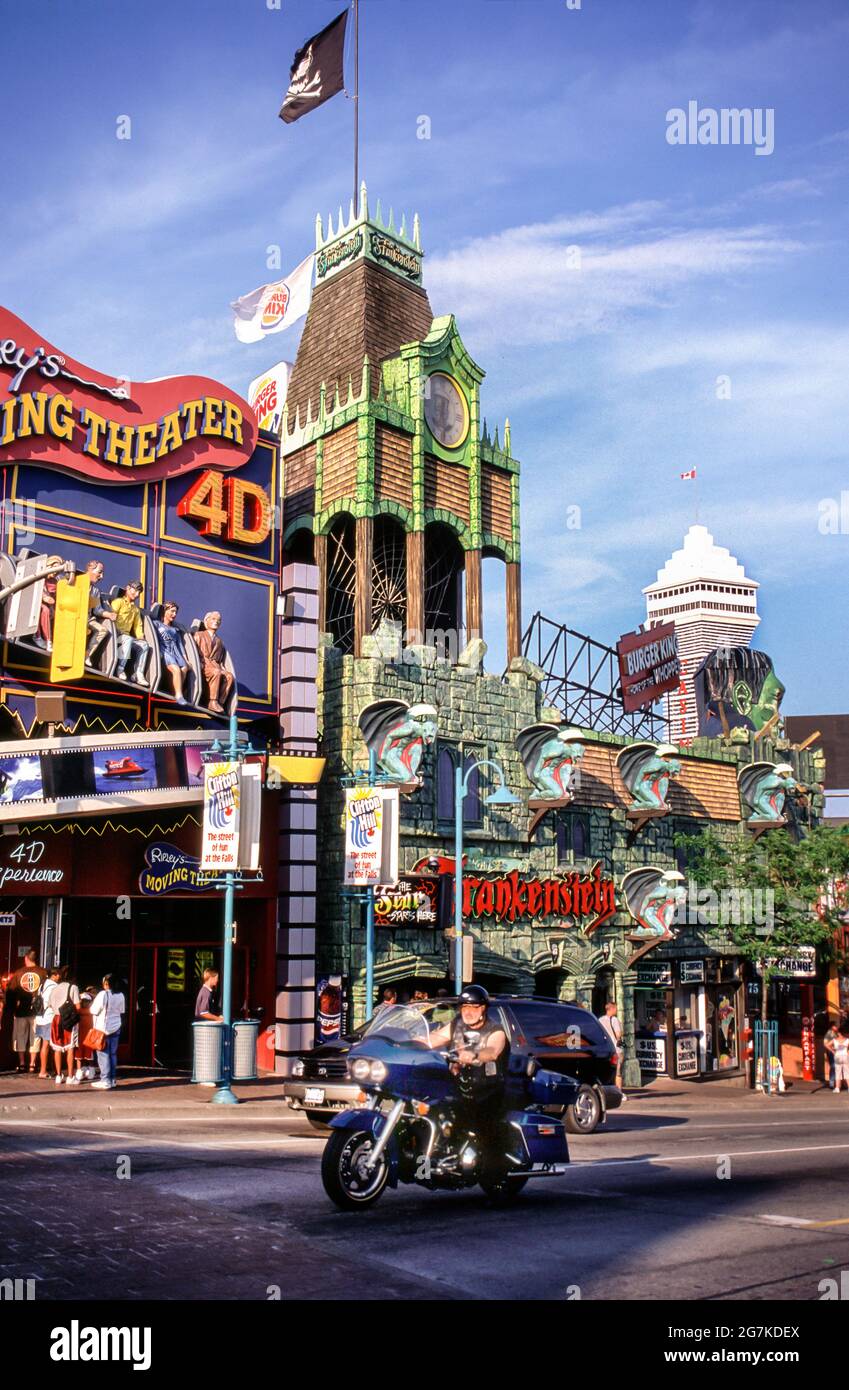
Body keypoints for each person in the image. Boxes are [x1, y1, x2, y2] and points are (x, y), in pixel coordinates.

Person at [427, 984, 508, 1143]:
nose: (468, 1012)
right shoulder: (457, 1024)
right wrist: (406, 1043)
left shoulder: (495, 1030)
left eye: (473, 1007)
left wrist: (475, 1055)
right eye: (464, 1007)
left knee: (484, 1133)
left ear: (483, 1008)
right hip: (456, 1087)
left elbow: (492, 1051)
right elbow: (434, 1038)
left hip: (486, 1091)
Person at [7, 950, 47, 1073]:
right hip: (37, 1012)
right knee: (35, 1037)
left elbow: (11, 993)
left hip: (20, 1011)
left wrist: (11, 1009)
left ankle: (22, 1063)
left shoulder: (19, 973)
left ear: (26, 958)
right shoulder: (43, 972)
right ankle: (32, 1064)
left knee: (20, 1036)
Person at [193, 611, 234, 714]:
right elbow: (194, 653)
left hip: (215, 665)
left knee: (229, 676)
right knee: (216, 672)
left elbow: (219, 660)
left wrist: (223, 669)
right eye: (213, 619)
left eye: (218, 620)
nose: (216, 622)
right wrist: (199, 664)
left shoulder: (219, 641)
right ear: (207, 621)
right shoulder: (198, 635)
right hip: (203, 664)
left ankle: (220, 702)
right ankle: (212, 701)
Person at [111, 579, 151, 684]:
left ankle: (138, 673)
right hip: (115, 634)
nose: (137, 594)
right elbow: (111, 616)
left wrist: (141, 636)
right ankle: (120, 668)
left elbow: (138, 626)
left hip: (126, 637)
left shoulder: (135, 609)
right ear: (128, 588)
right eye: (136, 591)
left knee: (144, 645)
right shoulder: (118, 602)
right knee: (127, 639)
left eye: (139, 592)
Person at [90, 974, 125, 1090]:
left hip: (103, 1028)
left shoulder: (102, 994)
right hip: (116, 1026)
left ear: (107, 984)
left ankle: (105, 1080)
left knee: (103, 1054)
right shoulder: (121, 995)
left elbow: (93, 1010)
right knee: (113, 1054)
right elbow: (121, 1011)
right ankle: (112, 1079)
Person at [48, 968, 81, 1085]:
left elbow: (50, 1005)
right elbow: (78, 1006)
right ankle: (70, 1076)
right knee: (70, 1048)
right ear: (73, 978)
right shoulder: (73, 988)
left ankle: (58, 1075)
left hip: (56, 1019)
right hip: (68, 1020)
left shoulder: (55, 988)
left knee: (57, 1048)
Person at [154, 601, 190, 705]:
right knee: (176, 669)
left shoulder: (175, 630)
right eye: (172, 611)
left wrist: (186, 660)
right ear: (165, 611)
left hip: (175, 652)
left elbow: (180, 646)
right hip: (164, 650)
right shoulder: (157, 624)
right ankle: (179, 695)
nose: (174, 614)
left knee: (184, 668)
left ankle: (175, 690)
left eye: (176, 613)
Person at [85, 559, 117, 664]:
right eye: (99, 572)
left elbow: (97, 610)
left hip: (88, 619)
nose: (101, 576)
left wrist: (109, 614)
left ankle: (87, 655)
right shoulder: (76, 582)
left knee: (102, 630)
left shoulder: (95, 591)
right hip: (75, 617)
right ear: (90, 569)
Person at [34, 966, 62, 1078]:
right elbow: (54, 1003)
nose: (59, 976)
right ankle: (43, 1071)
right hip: (49, 1018)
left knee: (44, 1045)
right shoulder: (54, 986)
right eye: (58, 974)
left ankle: (46, 1069)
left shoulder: (42, 985)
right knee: (48, 1045)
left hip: (40, 1017)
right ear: (54, 975)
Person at [598, 1000, 624, 1088]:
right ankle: (619, 1092)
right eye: (615, 1008)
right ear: (611, 1009)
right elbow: (618, 1035)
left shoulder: (600, 1020)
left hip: (605, 1049)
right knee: (618, 1072)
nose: (616, 1010)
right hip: (616, 1049)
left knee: (607, 1071)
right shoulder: (615, 1020)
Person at [831, 1025, 849, 1096]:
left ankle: (837, 1088)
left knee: (838, 1072)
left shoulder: (834, 1040)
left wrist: (832, 1051)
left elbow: (827, 1045)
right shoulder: (847, 1040)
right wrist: (848, 1052)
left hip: (837, 1056)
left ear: (839, 1033)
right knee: (847, 1072)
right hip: (845, 1056)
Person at [824, 1018, 839, 1090]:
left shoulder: (835, 1033)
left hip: (836, 1052)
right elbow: (825, 1043)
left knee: (836, 1067)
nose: (837, 1027)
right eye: (835, 1026)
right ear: (832, 1026)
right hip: (831, 1052)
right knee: (833, 1066)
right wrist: (832, 1050)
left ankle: (836, 1083)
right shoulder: (829, 1033)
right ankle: (831, 1083)